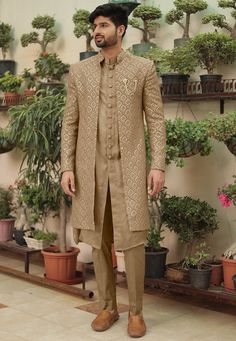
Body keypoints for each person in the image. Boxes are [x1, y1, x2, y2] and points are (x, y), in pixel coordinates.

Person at [61, 3, 166, 338]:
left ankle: (136, 312)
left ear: (120, 29)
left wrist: (158, 165)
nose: (97, 31)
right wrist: (67, 167)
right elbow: (70, 123)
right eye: (95, 26)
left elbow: (157, 120)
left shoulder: (143, 68)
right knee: (98, 238)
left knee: (133, 240)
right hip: (90, 170)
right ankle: (108, 307)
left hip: (130, 168)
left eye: (104, 25)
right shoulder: (80, 72)